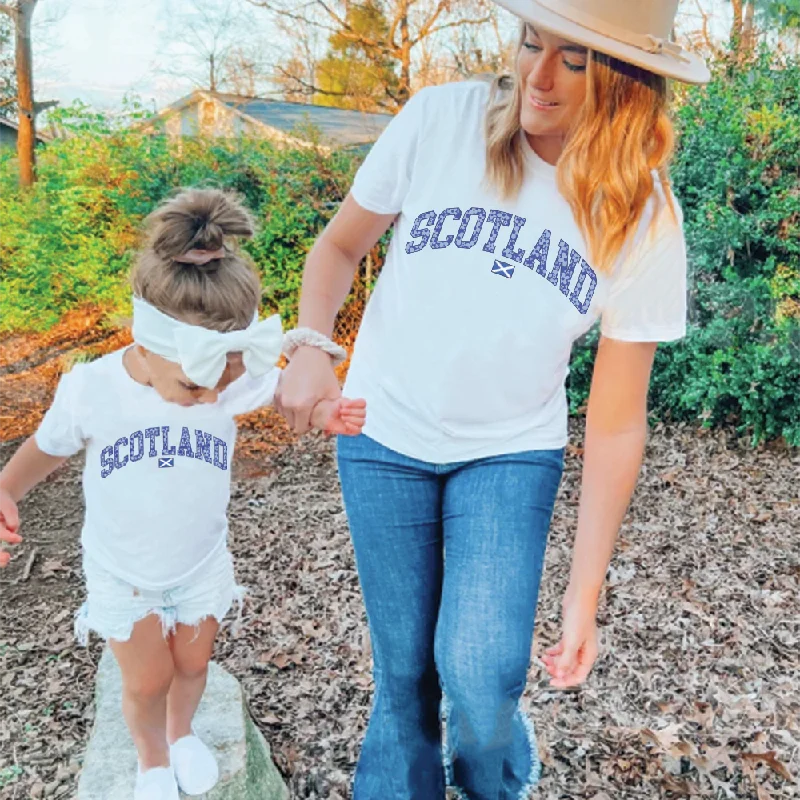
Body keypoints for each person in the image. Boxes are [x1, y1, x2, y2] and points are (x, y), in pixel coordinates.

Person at [276, 0, 710, 797]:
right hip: (382, 434)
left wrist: (585, 599)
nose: (538, 78)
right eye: (530, 44)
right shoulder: (442, 120)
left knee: (481, 675)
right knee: (404, 673)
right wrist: (309, 345)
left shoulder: (644, 216)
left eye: (575, 62)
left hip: (510, 452)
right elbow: (338, 247)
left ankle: (495, 776)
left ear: (628, 85)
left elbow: (615, 426)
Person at [0, 188, 366, 800]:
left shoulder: (224, 377)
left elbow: (279, 392)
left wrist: (320, 407)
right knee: (147, 678)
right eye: (195, 385)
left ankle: (182, 732)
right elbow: (47, 448)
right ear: (146, 345)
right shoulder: (93, 389)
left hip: (200, 562)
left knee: (193, 665)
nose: (210, 398)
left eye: (223, 380)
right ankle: (150, 759)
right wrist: (6, 489)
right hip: (124, 571)